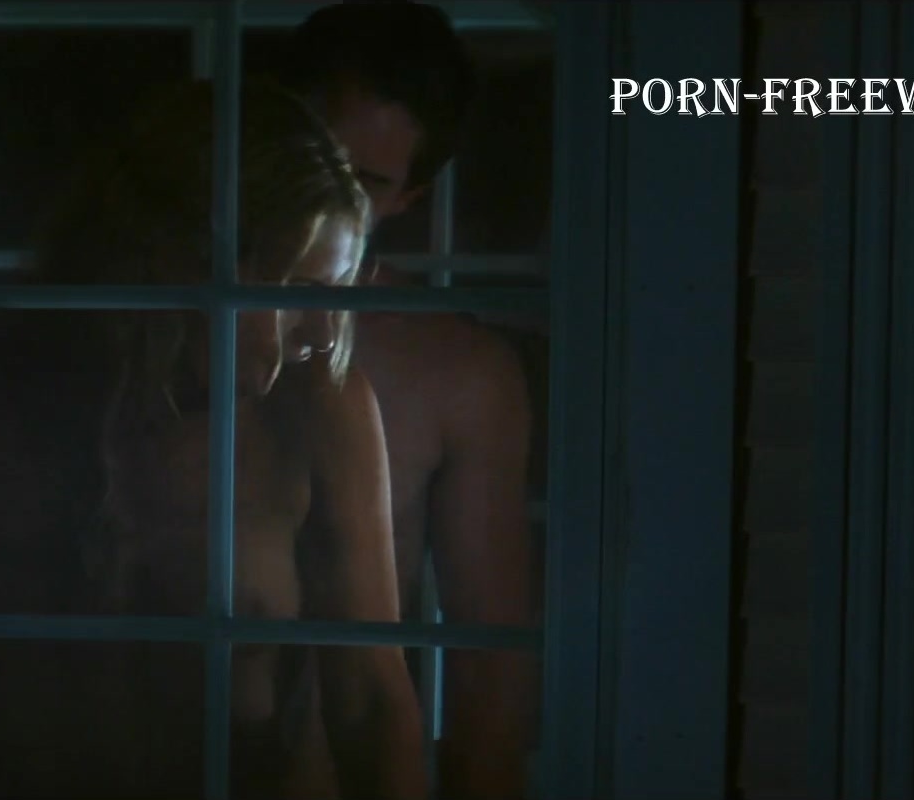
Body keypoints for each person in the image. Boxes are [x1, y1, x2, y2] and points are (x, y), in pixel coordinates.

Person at [0, 78, 426, 799]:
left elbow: (371, 701)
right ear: (183, 260)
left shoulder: (318, 412)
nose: (321, 334)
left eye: (334, 297)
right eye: (294, 293)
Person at [278, 4, 540, 798]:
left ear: (406, 197)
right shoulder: (139, 323)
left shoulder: (454, 371)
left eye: (359, 183)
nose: (315, 199)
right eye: (304, 157)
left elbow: (488, 675)